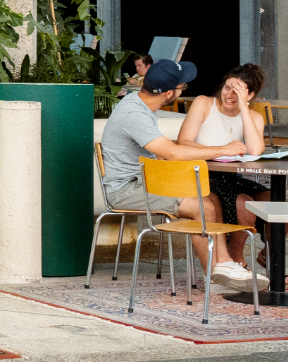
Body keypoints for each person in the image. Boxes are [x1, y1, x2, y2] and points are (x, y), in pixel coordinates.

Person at [99, 59, 259, 289]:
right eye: (182, 87)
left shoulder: (140, 106)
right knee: (202, 207)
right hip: (125, 190)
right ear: (168, 93)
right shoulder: (134, 114)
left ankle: (223, 264)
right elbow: (172, 152)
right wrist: (224, 149)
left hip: (142, 182)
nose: (182, 90)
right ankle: (217, 275)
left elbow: (162, 153)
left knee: (211, 198)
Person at [178, 64, 271, 266]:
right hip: (202, 175)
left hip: (230, 177)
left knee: (275, 202)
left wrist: (244, 109)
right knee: (245, 205)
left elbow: (255, 150)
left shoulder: (254, 117)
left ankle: (271, 258)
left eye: (238, 91)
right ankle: (236, 259)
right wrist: (222, 148)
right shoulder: (204, 103)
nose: (229, 95)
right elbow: (183, 142)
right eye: (227, 87)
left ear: (250, 95)